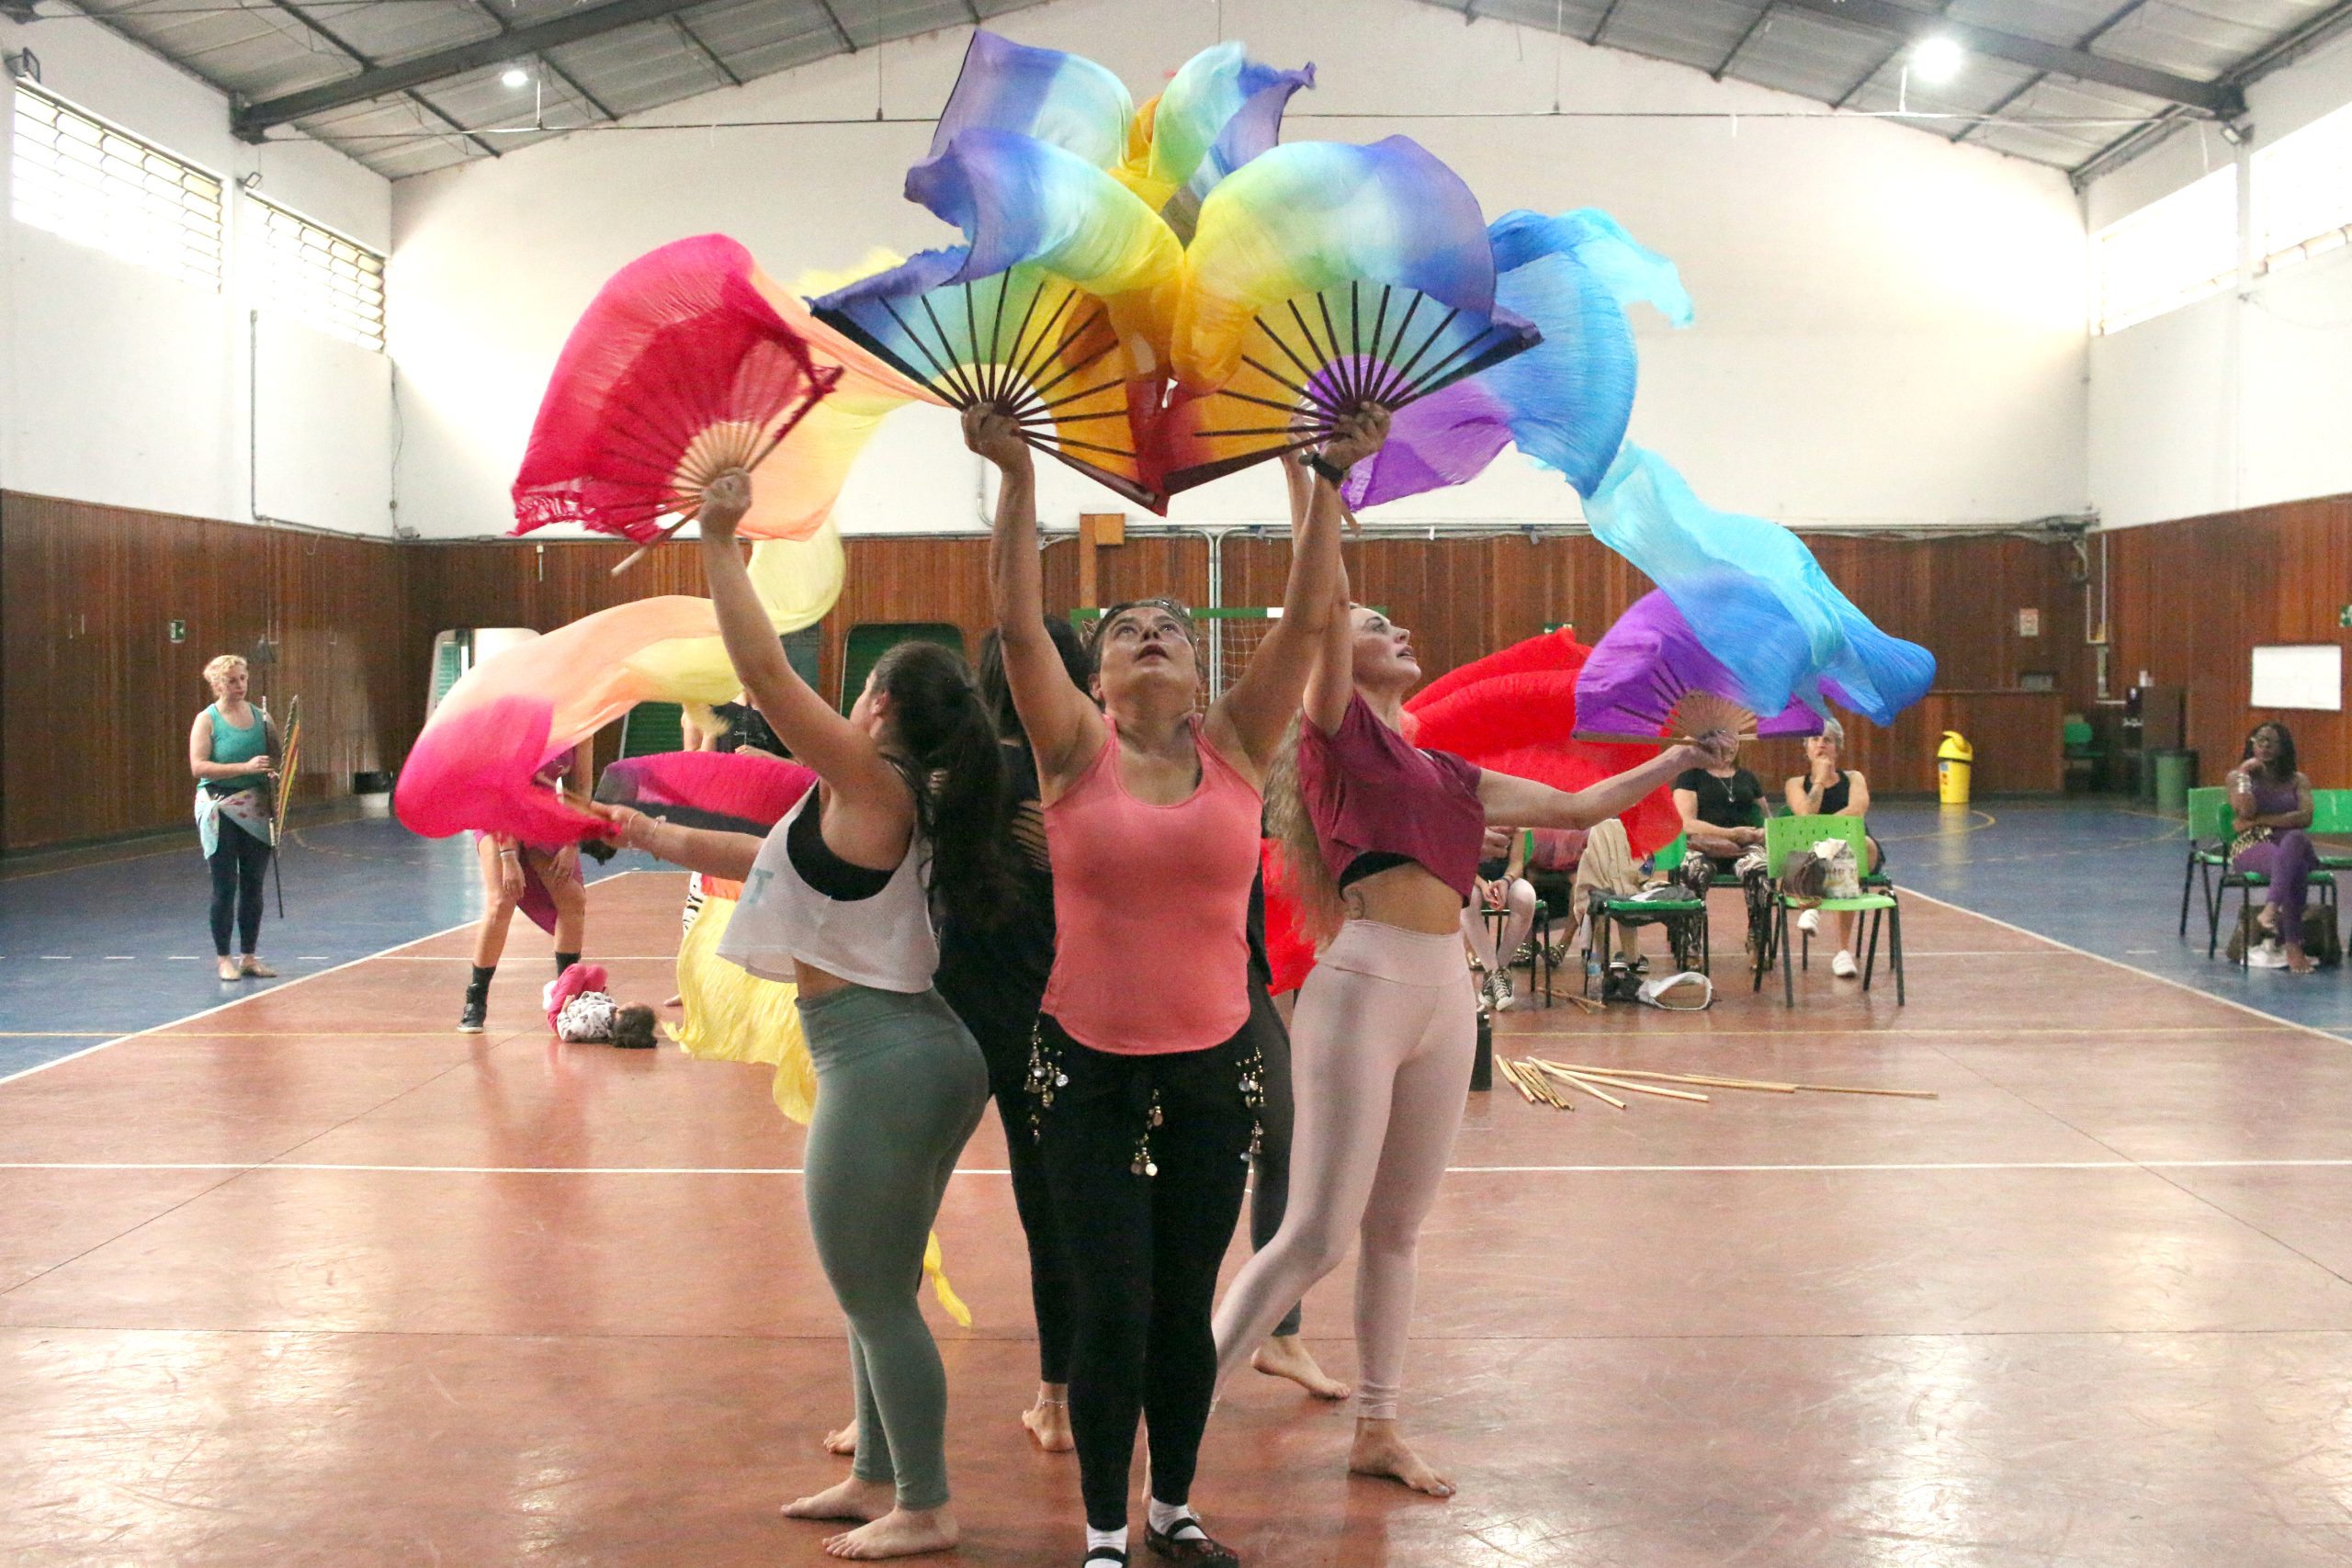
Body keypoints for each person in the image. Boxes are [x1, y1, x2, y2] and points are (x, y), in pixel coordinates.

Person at [1223, 513, 1730, 1502]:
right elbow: (1320, 602)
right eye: (1374, 622)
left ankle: (1379, 1425)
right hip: (1360, 982)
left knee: (1397, 1231)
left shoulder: (1448, 773)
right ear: (1339, 645)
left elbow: (1579, 811)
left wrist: (1682, 757)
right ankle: (1174, 1415)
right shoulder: (1334, 735)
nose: (1395, 630)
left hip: (1440, 991)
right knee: (1316, 1235)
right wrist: (1317, 487)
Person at [977, 397, 1370, 1568]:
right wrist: (1013, 476)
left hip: (1215, 1064)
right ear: (1095, 675)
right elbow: (1010, 625)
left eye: (1171, 628)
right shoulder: (1069, 751)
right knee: (1109, 1309)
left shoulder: (1236, 748)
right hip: (1082, 1069)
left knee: (1185, 1311)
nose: (1149, 632)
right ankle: (1105, 1527)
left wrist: (1329, 482)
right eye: (1125, 628)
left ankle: (1173, 1509)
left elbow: (1309, 618)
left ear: (1199, 676)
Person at [601, 468, 1008, 1561]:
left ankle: (925, 1504)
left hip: (884, 1056)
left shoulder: (869, 781)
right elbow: (767, 863)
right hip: (908, 1051)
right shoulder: (872, 805)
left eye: (862, 689)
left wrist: (722, 544)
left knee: (873, 1293)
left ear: (878, 704)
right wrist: (642, 833)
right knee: (873, 1281)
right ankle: (879, 1472)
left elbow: (764, 674)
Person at [930, 617, 1095, 1454]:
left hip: (946, 1014)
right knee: (1050, 1208)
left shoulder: (949, 773)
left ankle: (877, 1403)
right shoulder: (1083, 775)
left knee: (901, 1207)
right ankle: (1058, 1397)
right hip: (1047, 1015)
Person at [458, 751, 588, 1034]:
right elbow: (499, 789)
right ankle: (476, 999)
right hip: (497, 808)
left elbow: (580, 789)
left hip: (541, 810)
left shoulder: (581, 723)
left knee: (572, 897)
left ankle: (565, 995)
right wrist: (507, 856)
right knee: (502, 899)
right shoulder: (521, 716)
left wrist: (571, 842)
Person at [188, 654, 280, 982]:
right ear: (217, 684)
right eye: (231, 680)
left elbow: (275, 759)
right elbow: (198, 767)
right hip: (220, 807)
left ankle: (250, 957)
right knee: (225, 885)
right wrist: (244, 768)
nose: (239, 685)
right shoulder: (207, 720)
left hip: (255, 808)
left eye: (243, 679)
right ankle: (223, 958)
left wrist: (273, 778)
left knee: (254, 885)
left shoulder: (262, 717)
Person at [1783, 719, 1884, 979]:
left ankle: (1840, 947)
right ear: (1806, 747)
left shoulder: (1854, 778)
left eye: (1827, 740)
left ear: (1837, 748)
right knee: (1830, 857)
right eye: (1815, 739)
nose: (1821, 744)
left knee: (1848, 850)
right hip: (1809, 857)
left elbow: (1856, 811)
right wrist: (1818, 781)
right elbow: (1805, 815)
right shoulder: (1795, 783)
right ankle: (1837, 946)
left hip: (1855, 851)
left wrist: (1826, 838)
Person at [2228, 721, 2322, 974]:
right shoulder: (2237, 777)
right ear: (2252, 744)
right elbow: (2245, 810)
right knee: (2296, 867)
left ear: (2284, 748)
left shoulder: (2298, 780)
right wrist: (2245, 775)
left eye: (2272, 741)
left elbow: (2305, 817)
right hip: (2253, 844)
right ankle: (2293, 945)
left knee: (2294, 839)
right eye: (2260, 740)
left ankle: (2270, 910)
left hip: (2288, 841)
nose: (2265, 745)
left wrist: (2260, 821)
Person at [1461, 824, 1537, 1010]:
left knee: (1526, 896)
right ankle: (1496, 974)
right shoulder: (1469, 808)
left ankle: (1496, 973)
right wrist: (1482, 884)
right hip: (1471, 877)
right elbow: (1458, 860)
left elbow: (1517, 862)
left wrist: (1506, 881)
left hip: (1505, 878)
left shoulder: (1517, 813)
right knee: (1467, 898)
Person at [1673, 741, 1767, 875]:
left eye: (1735, 740)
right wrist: (1731, 834)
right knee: (1693, 869)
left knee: (1760, 868)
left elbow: (1766, 817)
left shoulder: (1748, 777)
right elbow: (1686, 824)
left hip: (1745, 848)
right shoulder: (1690, 776)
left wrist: (1762, 832)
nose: (1731, 746)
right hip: (1703, 847)